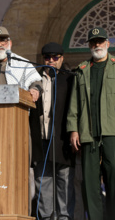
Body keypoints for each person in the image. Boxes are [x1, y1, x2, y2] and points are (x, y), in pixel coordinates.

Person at [67, 27, 115, 220]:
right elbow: (74, 104)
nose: (97, 45)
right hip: (88, 133)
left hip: (113, 131)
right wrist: (73, 130)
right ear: (89, 45)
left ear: (107, 43)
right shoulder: (81, 70)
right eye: (93, 42)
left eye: (100, 41)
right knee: (90, 182)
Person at [29, 42, 75, 219]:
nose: (51, 61)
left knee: (64, 185)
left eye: (55, 57)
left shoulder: (69, 78)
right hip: (41, 140)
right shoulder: (34, 79)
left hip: (62, 141)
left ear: (62, 59)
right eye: (47, 57)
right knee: (44, 184)